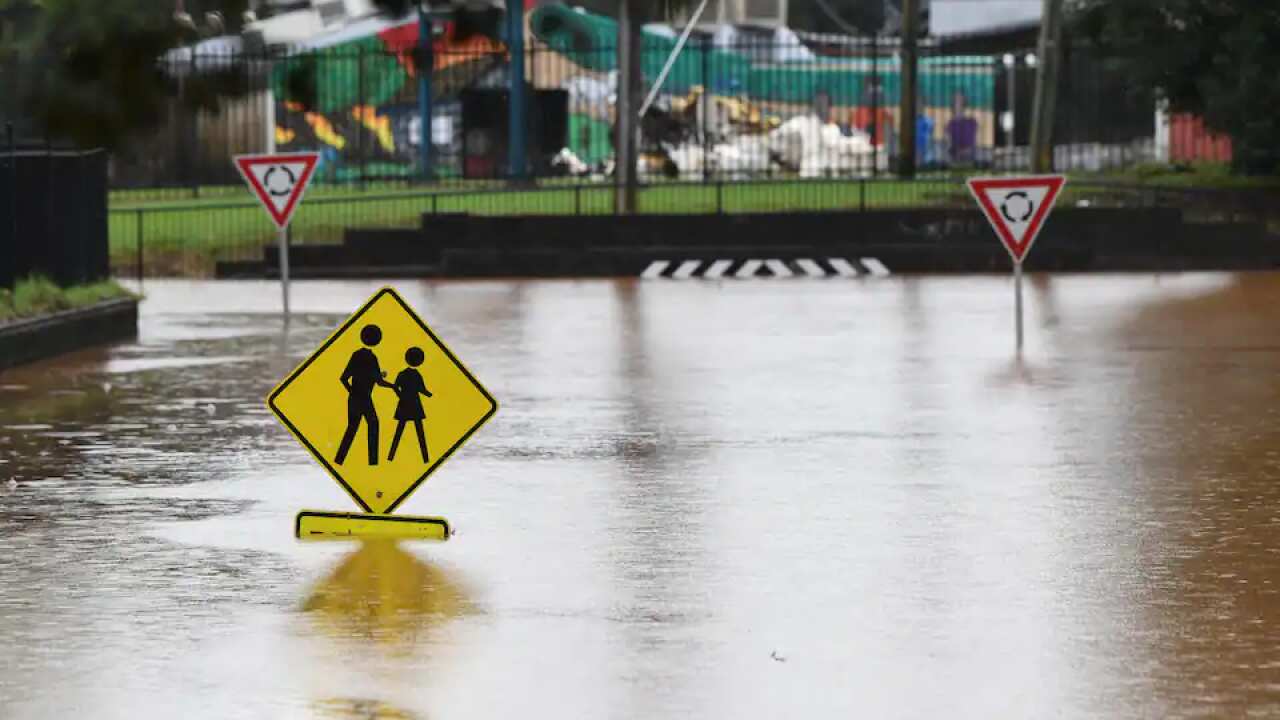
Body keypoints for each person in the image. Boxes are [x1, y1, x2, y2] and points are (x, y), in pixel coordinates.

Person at [335, 324, 394, 466]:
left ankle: (339, 460)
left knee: (352, 428)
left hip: (354, 398)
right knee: (373, 424)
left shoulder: (356, 355)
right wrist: (393, 386)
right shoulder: (372, 358)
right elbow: (378, 382)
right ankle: (373, 463)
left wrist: (352, 392)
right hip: (365, 399)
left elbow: (344, 378)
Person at [388, 346, 433, 463]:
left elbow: (395, 387)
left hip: (406, 404)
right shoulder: (414, 375)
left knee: (408, 431)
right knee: (415, 432)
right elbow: (422, 389)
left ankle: (391, 457)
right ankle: (425, 458)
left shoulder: (404, 374)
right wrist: (431, 395)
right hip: (413, 404)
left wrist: (401, 396)